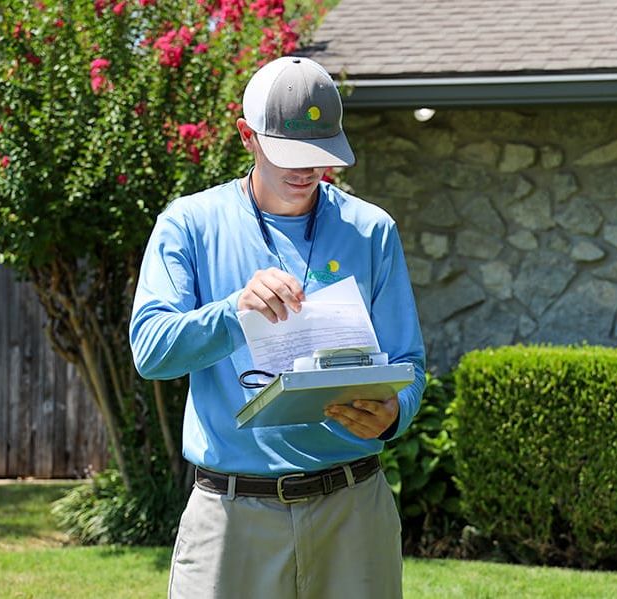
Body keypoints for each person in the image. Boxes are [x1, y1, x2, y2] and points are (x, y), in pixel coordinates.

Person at [129, 56, 425, 599]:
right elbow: (151, 351)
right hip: (230, 514)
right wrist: (234, 311)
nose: (305, 171)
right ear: (247, 136)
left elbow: (410, 363)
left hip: (353, 511)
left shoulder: (371, 230)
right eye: (289, 153)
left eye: (319, 155)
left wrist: (391, 415)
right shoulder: (190, 224)